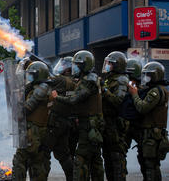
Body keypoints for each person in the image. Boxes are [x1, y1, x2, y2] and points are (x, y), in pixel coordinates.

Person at [51, 50, 104, 181]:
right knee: (95, 159)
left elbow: (74, 100)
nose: (73, 67)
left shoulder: (88, 81)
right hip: (90, 124)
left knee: (80, 161)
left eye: (77, 65)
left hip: (89, 125)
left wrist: (57, 97)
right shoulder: (87, 79)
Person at [128, 61, 169, 181]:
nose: (145, 78)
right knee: (152, 165)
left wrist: (134, 94)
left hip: (152, 135)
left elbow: (142, 108)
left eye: (148, 75)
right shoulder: (162, 89)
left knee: (150, 166)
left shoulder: (155, 92)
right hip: (155, 133)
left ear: (155, 76)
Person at [12, 61, 52, 181]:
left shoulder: (40, 90)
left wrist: (18, 104)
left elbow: (26, 109)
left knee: (19, 161)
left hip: (32, 132)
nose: (28, 76)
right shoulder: (45, 88)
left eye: (31, 74)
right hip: (39, 131)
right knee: (36, 163)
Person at [46, 56, 76, 181]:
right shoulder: (74, 81)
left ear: (68, 69)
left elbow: (45, 80)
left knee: (43, 153)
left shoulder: (62, 80)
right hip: (65, 122)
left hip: (55, 123)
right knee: (63, 154)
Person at [101, 51, 129, 181]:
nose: (107, 65)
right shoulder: (110, 78)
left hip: (116, 124)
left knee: (116, 158)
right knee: (107, 157)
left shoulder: (121, 80)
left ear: (117, 65)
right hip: (108, 123)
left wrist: (104, 90)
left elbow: (117, 101)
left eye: (110, 64)